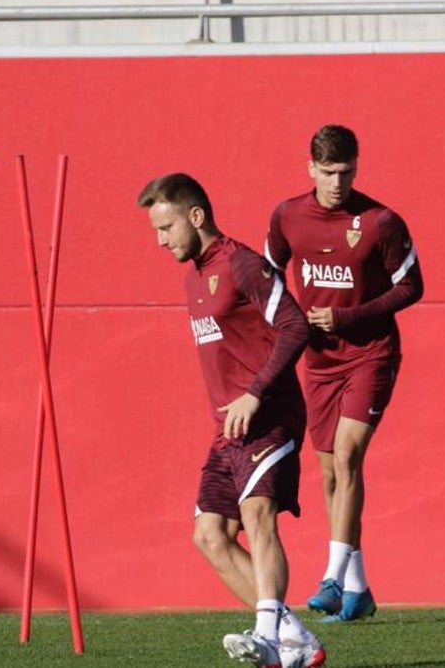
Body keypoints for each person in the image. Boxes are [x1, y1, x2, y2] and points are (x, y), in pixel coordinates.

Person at [137, 173, 326, 668]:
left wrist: (254, 394)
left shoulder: (242, 264)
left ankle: (267, 639)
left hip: (269, 415)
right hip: (226, 432)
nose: (161, 241)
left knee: (258, 515)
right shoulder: (192, 278)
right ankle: (296, 638)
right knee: (209, 536)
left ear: (195, 216)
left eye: (166, 228)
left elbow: (295, 326)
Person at [264, 124, 424, 622]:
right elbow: (268, 277)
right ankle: (358, 588)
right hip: (319, 362)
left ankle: (332, 579)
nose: (338, 182)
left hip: (371, 353)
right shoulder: (288, 216)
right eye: (329, 172)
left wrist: (348, 317)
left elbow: (412, 287)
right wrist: (290, 323)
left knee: (350, 455)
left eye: (347, 172)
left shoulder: (380, 221)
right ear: (311, 168)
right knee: (331, 471)